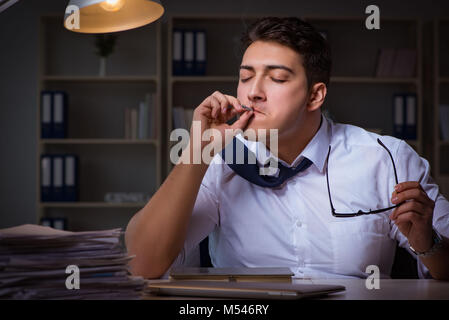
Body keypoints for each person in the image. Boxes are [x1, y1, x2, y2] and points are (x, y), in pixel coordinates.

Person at [125, 17, 449, 280]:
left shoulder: (386, 157)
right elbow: (142, 265)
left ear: (314, 96)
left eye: (277, 78)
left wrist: (427, 242)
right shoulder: (221, 160)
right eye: (245, 77)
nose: (253, 93)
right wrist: (198, 150)